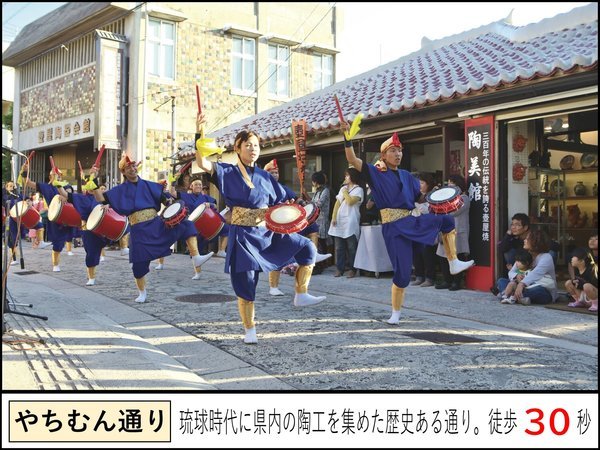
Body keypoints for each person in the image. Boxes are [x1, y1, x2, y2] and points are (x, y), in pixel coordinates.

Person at [195, 112, 326, 345]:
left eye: (256, 145)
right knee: (246, 283)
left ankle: (301, 293)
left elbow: (284, 201)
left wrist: (299, 209)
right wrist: (199, 134)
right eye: (248, 145)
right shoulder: (227, 171)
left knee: (306, 248)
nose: (253, 149)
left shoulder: (266, 176)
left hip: (268, 231)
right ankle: (250, 328)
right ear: (237, 148)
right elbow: (202, 163)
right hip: (243, 235)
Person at [341, 124, 474, 324]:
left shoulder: (407, 176)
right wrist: (347, 137)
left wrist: (437, 197)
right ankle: (395, 313)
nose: (398, 154)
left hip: (411, 220)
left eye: (400, 150)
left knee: (446, 219)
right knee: (402, 274)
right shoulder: (375, 173)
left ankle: (453, 261)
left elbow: (418, 198)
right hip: (393, 227)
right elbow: (352, 159)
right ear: (384, 155)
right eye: (393, 150)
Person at [91, 155, 213, 303]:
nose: (133, 169)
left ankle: (196, 257)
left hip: (157, 224)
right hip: (139, 230)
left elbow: (166, 200)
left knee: (187, 225)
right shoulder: (120, 190)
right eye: (129, 167)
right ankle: (142, 292)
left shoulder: (150, 185)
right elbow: (100, 198)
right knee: (138, 266)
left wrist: (170, 202)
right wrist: (93, 180)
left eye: (134, 166)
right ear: (123, 171)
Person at [263, 159, 331, 295]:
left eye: (277, 172)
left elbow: (296, 199)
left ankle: (314, 253)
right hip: (273, 224)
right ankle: (273, 286)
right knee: (277, 254)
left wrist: (304, 204)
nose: (275, 175)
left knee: (312, 229)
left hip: (289, 221)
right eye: (272, 172)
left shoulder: (283, 188)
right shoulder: (263, 188)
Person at [56, 173, 112, 286]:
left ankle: (121, 248)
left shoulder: (103, 196)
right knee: (90, 253)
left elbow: (113, 205)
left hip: (103, 228)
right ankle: (91, 277)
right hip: (88, 230)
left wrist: (108, 205)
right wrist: (58, 184)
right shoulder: (79, 197)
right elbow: (64, 193)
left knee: (110, 240)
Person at [20, 162, 76, 272]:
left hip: (68, 216)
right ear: (51, 176)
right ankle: (55, 264)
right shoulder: (45, 187)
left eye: (59, 175)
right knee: (57, 243)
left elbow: (69, 194)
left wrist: (64, 194)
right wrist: (24, 171)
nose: (58, 176)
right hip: (54, 217)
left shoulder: (66, 186)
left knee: (69, 238)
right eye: (55, 175)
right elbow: (27, 182)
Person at [168, 177, 228, 280]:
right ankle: (198, 273)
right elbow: (172, 193)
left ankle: (221, 250)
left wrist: (210, 204)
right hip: (193, 227)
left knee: (226, 229)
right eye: (196, 184)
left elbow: (215, 205)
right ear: (191, 186)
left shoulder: (205, 197)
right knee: (195, 252)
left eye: (200, 184)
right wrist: (173, 180)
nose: (198, 186)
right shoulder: (185, 196)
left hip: (207, 224)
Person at [495, 229, 558, 305]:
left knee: (538, 290)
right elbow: (512, 271)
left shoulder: (546, 257)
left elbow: (536, 274)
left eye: (527, 239)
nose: (524, 240)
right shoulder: (524, 255)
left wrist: (522, 284)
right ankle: (519, 297)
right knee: (501, 280)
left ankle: (507, 294)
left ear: (536, 242)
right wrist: (516, 276)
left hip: (543, 290)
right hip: (521, 286)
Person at [435, 174, 471, 291]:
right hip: (445, 231)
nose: (449, 185)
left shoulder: (464, 198)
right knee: (443, 257)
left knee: (457, 256)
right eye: (449, 183)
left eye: (452, 183)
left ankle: (457, 282)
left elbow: (452, 212)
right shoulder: (446, 199)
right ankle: (447, 280)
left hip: (457, 232)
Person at [328, 167, 364, 278]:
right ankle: (340, 268)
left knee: (352, 247)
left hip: (351, 220)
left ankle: (353, 269)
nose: (345, 178)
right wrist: (333, 217)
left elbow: (350, 202)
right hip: (340, 220)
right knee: (339, 247)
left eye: (347, 175)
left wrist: (345, 192)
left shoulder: (359, 190)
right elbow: (337, 204)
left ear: (353, 176)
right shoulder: (343, 189)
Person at [411, 172, 438, 287]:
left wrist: (415, 205)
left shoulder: (433, 195)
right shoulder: (417, 195)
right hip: (417, 227)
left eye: (422, 183)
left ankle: (430, 278)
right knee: (417, 253)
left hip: (429, 228)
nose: (419, 185)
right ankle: (419, 276)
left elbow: (428, 210)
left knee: (428, 253)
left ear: (428, 184)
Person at [565, 247, 598, 312]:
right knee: (568, 283)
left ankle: (595, 304)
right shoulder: (577, 269)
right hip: (585, 296)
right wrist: (574, 282)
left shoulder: (592, 269)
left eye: (574, 257)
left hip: (594, 295)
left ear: (582, 261)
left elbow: (594, 284)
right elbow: (578, 283)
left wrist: (581, 283)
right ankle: (579, 301)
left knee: (586, 286)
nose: (571, 259)